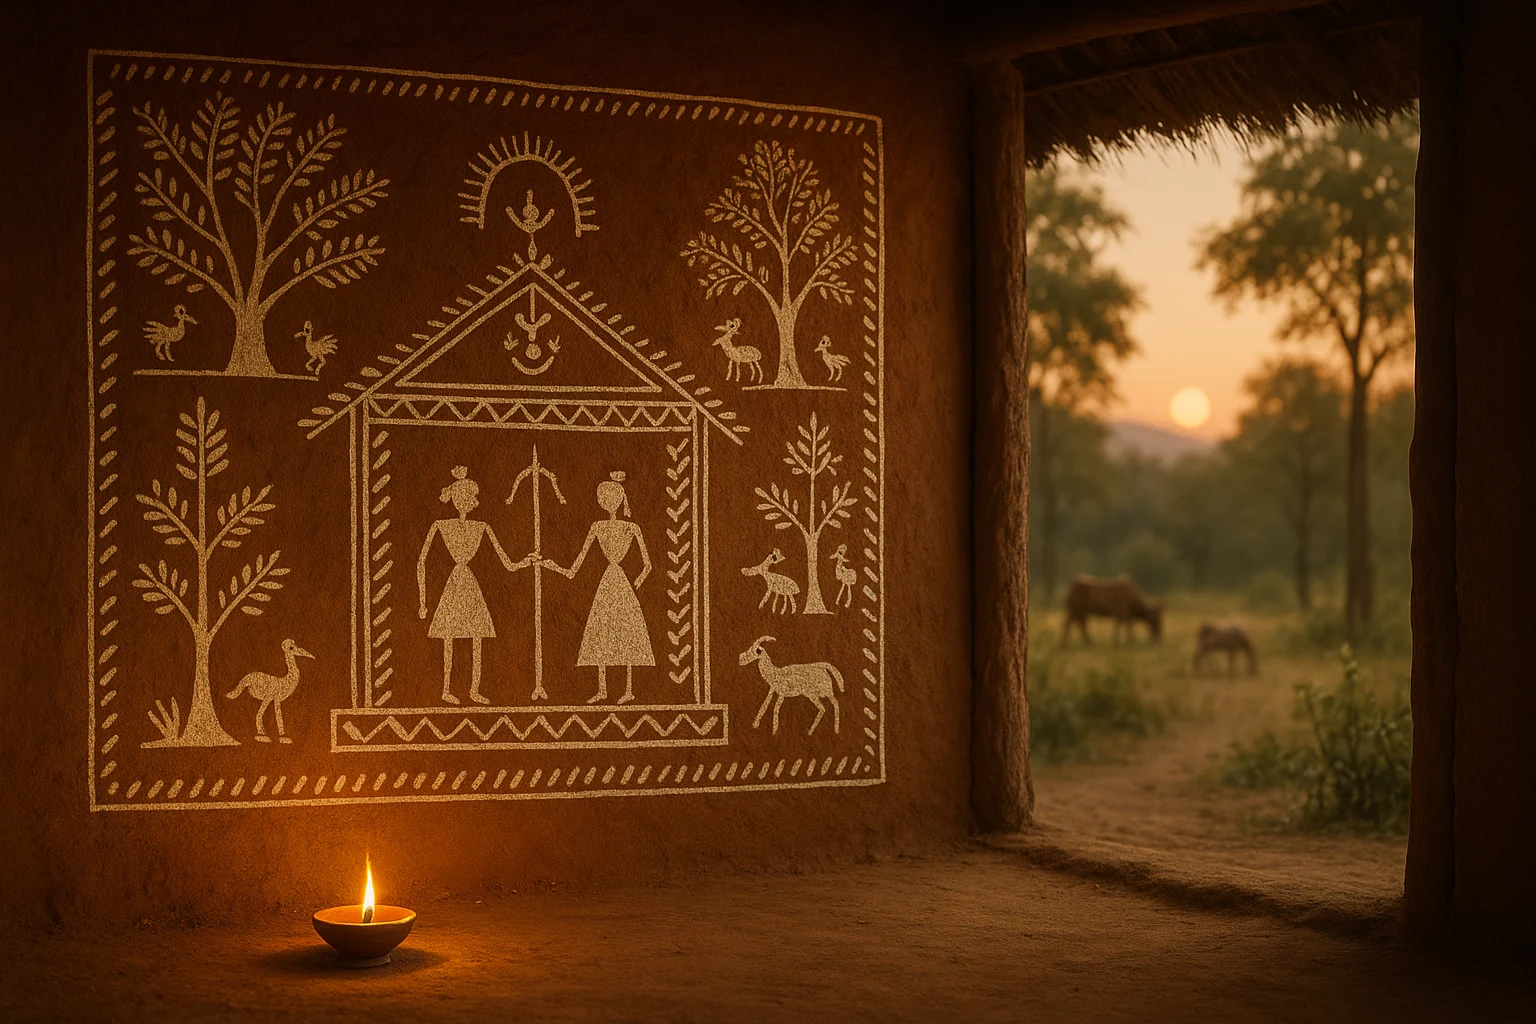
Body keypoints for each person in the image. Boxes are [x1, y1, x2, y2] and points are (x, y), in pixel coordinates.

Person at [417, 466, 532, 705]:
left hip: (467, 584)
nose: (473, 502)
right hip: (459, 584)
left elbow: (508, 563)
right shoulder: (441, 525)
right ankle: (447, 689)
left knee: (475, 637)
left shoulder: (480, 526)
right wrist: (422, 601)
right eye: (470, 497)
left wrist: (525, 562)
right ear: (461, 499)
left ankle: (472, 690)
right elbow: (421, 561)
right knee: (451, 638)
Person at [543, 471, 654, 704]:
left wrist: (637, 581)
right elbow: (576, 566)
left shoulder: (628, 527)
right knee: (604, 631)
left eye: (604, 498)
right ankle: (605, 690)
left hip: (617, 582)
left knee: (623, 632)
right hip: (615, 582)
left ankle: (627, 690)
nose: (604, 503)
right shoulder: (601, 526)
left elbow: (647, 565)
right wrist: (555, 567)